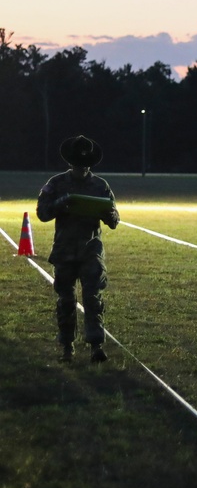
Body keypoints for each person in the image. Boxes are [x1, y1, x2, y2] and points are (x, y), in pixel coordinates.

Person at [36, 135, 120, 363]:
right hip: (64, 250)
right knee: (66, 301)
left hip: (90, 250)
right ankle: (67, 346)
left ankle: (96, 345)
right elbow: (42, 213)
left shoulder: (100, 185)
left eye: (85, 164)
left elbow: (114, 218)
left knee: (93, 298)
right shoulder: (56, 183)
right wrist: (60, 203)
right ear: (70, 162)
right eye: (78, 164)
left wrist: (109, 215)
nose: (82, 168)